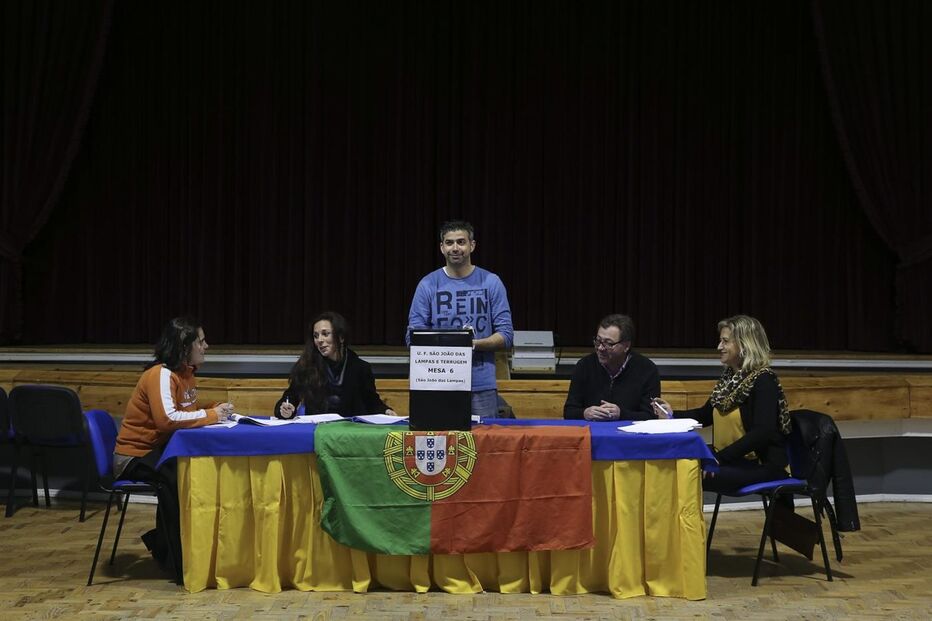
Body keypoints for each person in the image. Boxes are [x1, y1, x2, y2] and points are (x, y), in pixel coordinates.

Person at [114, 317, 234, 582]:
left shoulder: (185, 374)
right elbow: (167, 419)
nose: (206, 346)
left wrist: (212, 409)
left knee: (190, 470)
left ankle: (170, 549)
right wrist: (211, 415)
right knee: (176, 476)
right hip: (134, 456)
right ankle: (181, 564)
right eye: (201, 341)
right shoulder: (161, 374)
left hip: (158, 450)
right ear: (184, 346)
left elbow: (185, 412)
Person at [651, 315, 791, 492]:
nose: (719, 347)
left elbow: (762, 433)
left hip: (763, 466)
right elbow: (704, 415)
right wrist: (671, 415)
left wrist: (718, 458)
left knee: (689, 475)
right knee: (678, 465)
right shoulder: (729, 380)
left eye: (725, 341)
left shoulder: (764, 381)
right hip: (733, 461)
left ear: (745, 344)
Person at [406, 220, 514, 419]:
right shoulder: (427, 285)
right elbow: (412, 337)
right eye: (449, 243)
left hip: (480, 385)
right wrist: (451, 347)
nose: (455, 248)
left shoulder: (491, 282)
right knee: (440, 437)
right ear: (442, 247)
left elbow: (506, 335)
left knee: (484, 438)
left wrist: (471, 345)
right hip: (438, 383)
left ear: (472, 245)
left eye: (461, 242)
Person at [274, 311, 396, 418]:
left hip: (350, 430)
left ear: (341, 337)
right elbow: (290, 396)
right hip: (318, 429)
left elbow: (371, 401)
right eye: (316, 336)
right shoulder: (307, 366)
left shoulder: (360, 368)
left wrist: (385, 411)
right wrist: (285, 409)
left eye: (325, 334)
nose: (319, 340)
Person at [563, 314, 660, 421]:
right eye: (598, 341)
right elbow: (569, 411)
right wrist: (585, 413)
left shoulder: (647, 370)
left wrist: (621, 414)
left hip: (628, 430)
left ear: (626, 346)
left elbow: (651, 416)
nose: (600, 348)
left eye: (608, 344)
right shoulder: (585, 365)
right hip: (591, 429)